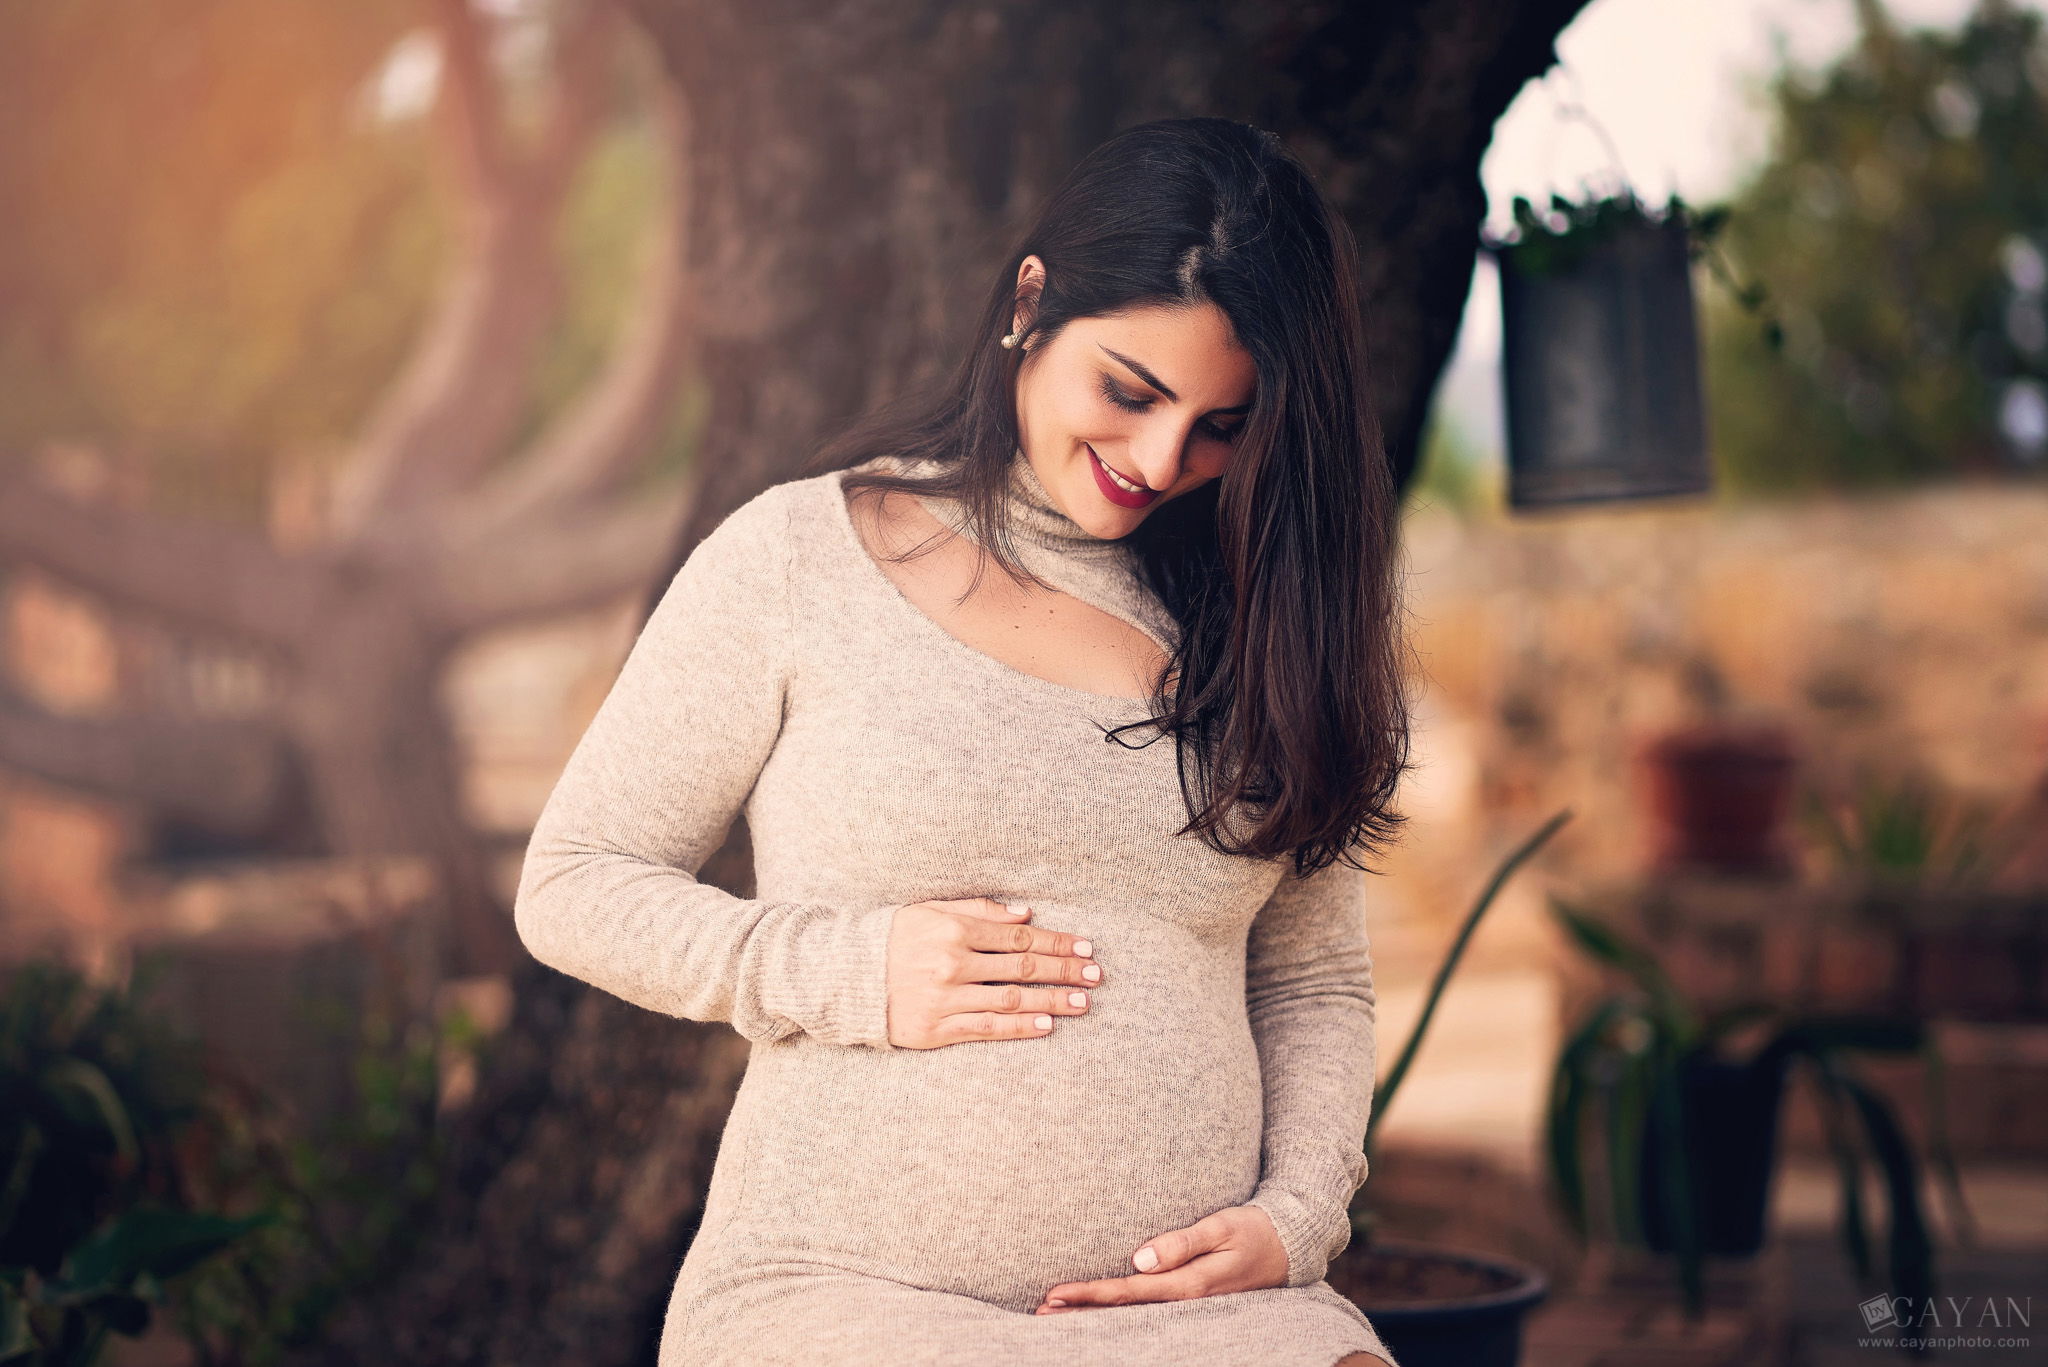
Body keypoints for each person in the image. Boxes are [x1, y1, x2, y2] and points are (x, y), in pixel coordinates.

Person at [514, 116, 1415, 1367]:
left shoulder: (1263, 624)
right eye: (1129, 391)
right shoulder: (798, 557)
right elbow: (573, 883)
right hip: (841, 1286)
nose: (1160, 461)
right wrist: (851, 967)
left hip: (1200, 1315)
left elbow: (1310, 977)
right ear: (1029, 306)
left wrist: (1296, 1217)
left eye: (1223, 425)